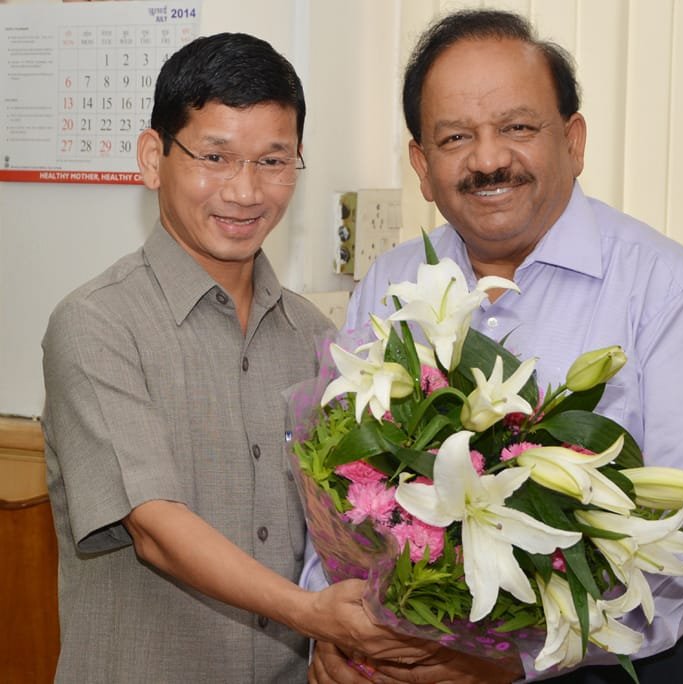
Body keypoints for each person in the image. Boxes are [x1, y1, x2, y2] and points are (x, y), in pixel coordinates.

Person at [310, 8, 683, 684]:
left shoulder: (666, 292)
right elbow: (342, 485)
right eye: (456, 137)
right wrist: (330, 626)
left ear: (574, 141)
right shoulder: (393, 282)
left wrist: (513, 661)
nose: (488, 159)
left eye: (518, 128)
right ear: (422, 166)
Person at [41, 32, 430, 683]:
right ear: (152, 158)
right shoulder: (95, 325)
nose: (246, 191)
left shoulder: (316, 338)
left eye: (273, 161)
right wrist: (314, 616)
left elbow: (345, 525)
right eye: (215, 157)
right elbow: (156, 528)